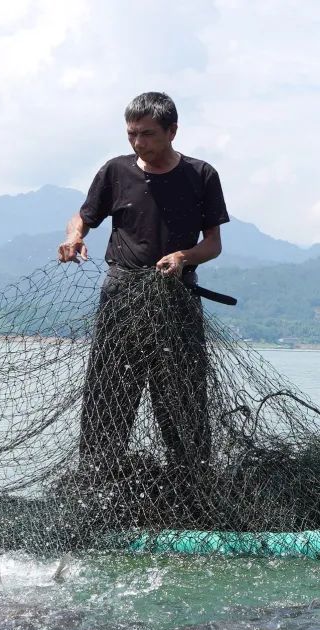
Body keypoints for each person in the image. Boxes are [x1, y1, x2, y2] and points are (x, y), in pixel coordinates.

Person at [57, 91, 229, 526]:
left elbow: (214, 243)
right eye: (131, 134)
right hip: (120, 299)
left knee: (182, 405)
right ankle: (94, 501)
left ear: (172, 131)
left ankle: (193, 501)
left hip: (176, 301)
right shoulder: (114, 172)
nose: (138, 143)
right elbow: (83, 217)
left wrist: (183, 257)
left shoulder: (201, 175)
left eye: (147, 135)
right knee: (107, 401)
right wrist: (75, 237)